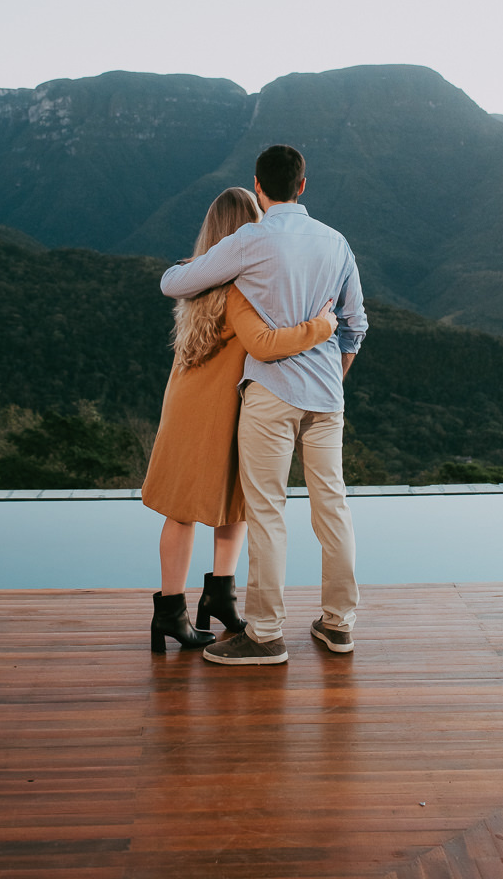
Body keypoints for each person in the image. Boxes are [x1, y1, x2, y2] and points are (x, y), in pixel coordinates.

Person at [160, 145, 367, 665]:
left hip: (271, 396)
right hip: (327, 397)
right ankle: (339, 625)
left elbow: (174, 284)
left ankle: (266, 635)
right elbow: (356, 325)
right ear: (303, 185)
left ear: (259, 186)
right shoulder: (337, 242)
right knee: (333, 509)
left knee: (268, 513)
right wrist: (331, 376)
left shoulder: (250, 240)